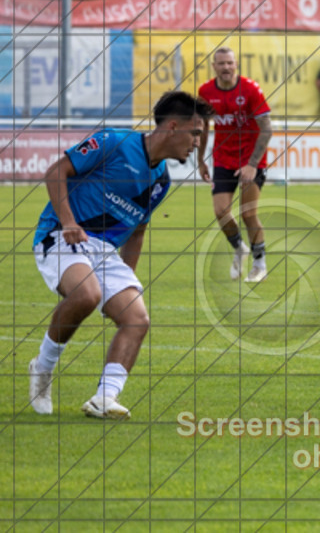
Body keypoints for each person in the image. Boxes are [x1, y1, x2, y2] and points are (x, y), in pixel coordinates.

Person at [28, 91, 211, 419]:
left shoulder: (161, 181)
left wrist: (127, 279)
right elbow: (56, 171)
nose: (198, 143)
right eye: (195, 133)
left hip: (104, 252)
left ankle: (104, 399)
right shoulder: (114, 141)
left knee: (136, 318)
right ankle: (42, 367)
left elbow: (138, 230)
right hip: (61, 235)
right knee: (86, 295)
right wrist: (69, 221)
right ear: (172, 127)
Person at [197, 47, 273, 283]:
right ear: (214, 66)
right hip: (223, 158)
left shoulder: (250, 89)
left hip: (252, 159)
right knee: (221, 211)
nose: (226, 67)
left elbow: (266, 128)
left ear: (236, 64)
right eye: (221, 63)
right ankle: (240, 248)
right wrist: (200, 159)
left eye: (230, 63)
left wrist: (251, 165)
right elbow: (203, 127)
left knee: (249, 214)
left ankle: (259, 265)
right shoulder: (205, 92)